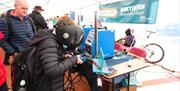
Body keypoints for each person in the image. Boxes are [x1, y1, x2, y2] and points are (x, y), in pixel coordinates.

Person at [28, 15, 99, 91]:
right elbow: (52, 70)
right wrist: (74, 60)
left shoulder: (52, 39)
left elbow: (51, 57)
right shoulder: (49, 42)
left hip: (50, 84)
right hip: (44, 85)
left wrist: (63, 56)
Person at [0, 0, 35, 90]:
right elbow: (2, 41)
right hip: (18, 58)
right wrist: (12, 52)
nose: (25, 11)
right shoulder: (5, 21)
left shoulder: (29, 20)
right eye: (23, 8)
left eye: (27, 9)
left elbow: (34, 36)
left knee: (31, 80)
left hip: (32, 55)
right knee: (19, 82)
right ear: (15, 6)